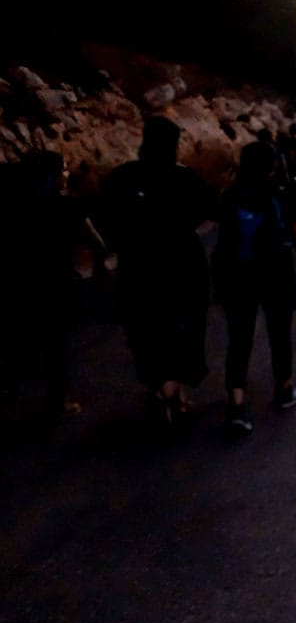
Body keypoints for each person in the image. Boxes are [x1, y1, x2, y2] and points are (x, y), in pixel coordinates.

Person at [97, 116, 219, 428]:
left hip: (138, 268)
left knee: (146, 329)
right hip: (183, 266)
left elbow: (104, 217)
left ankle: (159, 385)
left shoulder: (122, 177)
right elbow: (214, 209)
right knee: (186, 326)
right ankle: (173, 390)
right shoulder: (185, 178)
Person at [213, 141, 296, 433]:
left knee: (239, 338)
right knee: (280, 333)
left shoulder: (230, 196)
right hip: (277, 274)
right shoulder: (282, 194)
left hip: (238, 277)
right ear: (274, 165)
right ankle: (284, 389)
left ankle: (236, 405)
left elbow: (222, 244)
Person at [0, 151, 105, 426]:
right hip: (53, 282)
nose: (66, 174)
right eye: (63, 169)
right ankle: (59, 401)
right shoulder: (65, 207)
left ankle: (8, 387)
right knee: (55, 345)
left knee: (19, 338)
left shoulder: (11, 206)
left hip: (17, 281)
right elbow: (95, 241)